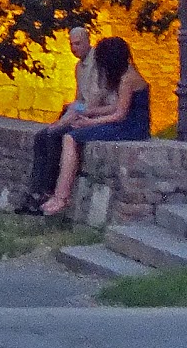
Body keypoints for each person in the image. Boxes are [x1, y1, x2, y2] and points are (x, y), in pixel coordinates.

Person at [41, 36, 151, 216]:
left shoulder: (127, 78)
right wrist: (90, 112)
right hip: (124, 123)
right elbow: (117, 106)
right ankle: (57, 194)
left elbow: (120, 114)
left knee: (71, 138)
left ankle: (61, 196)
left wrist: (89, 122)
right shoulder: (125, 74)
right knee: (70, 132)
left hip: (131, 127)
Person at [16, 25, 102, 215]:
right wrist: (67, 114)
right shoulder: (79, 67)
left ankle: (46, 191)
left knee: (54, 136)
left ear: (88, 42)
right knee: (41, 136)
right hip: (80, 111)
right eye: (71, 44)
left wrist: (66, 119)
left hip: (93, 115)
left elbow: (93, 101)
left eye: (78, 44)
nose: (74, 48)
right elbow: (79, 98)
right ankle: (35, 190)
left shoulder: (96, 65)